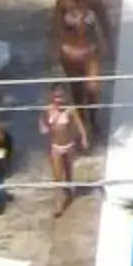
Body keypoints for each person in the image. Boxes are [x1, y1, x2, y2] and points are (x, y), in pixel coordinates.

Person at [50, 0, 112, 117]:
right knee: (76, 88)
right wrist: (54, 50)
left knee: (93, 88)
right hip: (69, 52)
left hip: (90, 50)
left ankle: (93, 119)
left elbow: (105, 23)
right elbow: (56, 27)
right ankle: (81, 120)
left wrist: (107, 44)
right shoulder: (63, 2)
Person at [41, 79, 91, 214]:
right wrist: (44, 127)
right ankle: (58, 204)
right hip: (55, 147)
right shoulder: (48, 110)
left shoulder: (71, 110)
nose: (60, 99)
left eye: (62, 96)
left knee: (69, 173)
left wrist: (84, 139)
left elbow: (80, 127)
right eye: (57, 97)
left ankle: (69, 192)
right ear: (52, 96)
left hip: (69, 146)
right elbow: (42, 123)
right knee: (57, 177)